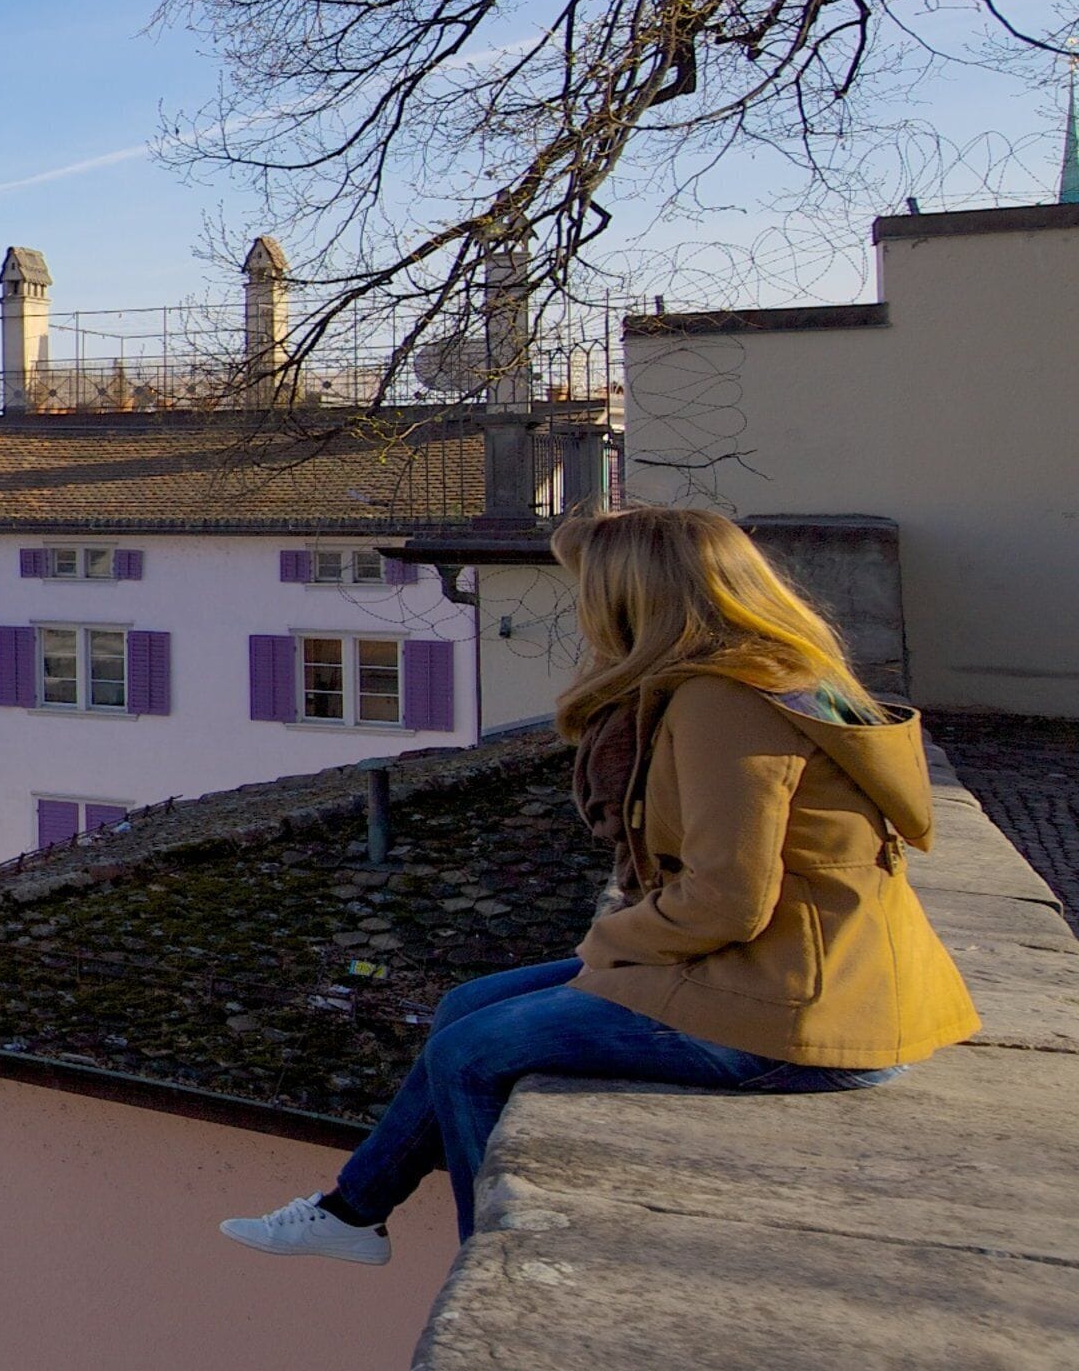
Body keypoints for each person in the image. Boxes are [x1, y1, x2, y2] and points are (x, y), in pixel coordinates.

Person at [226, 507, 978, 1262]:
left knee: (472, 1054)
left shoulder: (725, 702)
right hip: (800, 976)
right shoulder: (774, 676)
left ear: (633, 598)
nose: (582, 609)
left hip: (798, 1012)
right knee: (464, 1007)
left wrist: (609, 941)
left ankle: (500, 1265)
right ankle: (352, 1212)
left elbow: (727, 900)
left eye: (588, 590)